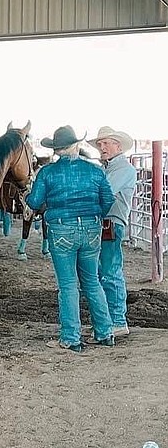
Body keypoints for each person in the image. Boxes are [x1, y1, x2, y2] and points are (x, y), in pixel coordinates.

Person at [25, 125, 113, 353]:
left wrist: (28, 195)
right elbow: (109, 199)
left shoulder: (47, 173)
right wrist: (95, 215)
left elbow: (34, 202)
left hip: (61, 229)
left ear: (56, 150)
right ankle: (105, 332)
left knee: (67, 285)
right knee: (92, 281)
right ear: (76, 145)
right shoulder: (94, 170)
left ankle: (71, 337)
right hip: (92, 228)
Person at [89, 125, 138, 339]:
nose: (102, 147)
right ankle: (112, 320)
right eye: (100, 144)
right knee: (105, 272)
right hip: (108, 223)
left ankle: (118, 320)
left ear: (118, 145)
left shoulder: (122, 169)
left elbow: (103, 192)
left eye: (105, 143)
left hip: (111, 223)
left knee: (109, 272)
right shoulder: (112, 168)